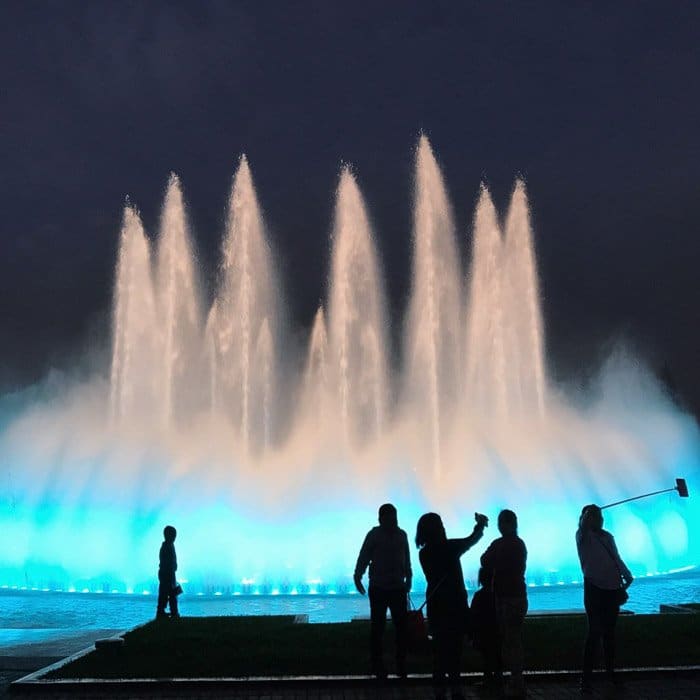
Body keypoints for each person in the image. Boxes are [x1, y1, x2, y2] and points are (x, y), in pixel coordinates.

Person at [416, 511, 488, 700]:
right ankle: (456, 689)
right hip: (455, 603)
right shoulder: (450, 548)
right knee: (455, 649)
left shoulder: (424, 554)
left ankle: (439, 689)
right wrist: (480, 525)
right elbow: (471, 540)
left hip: (436, 603)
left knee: (439, 649)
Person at [576, 504, 633, 693]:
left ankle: (610, 674)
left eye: (600, 515)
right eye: (595, 516)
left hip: (612, 589)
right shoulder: (583, 537)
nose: (600, 519)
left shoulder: (607, 537)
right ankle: (587, 678)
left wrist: (627, 574)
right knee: (594, 633)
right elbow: (582, 526)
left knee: (609, 634)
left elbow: (616, 558)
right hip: (594, 589)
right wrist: (588, 514)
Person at [354, 503, 413, 680]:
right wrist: (358, 575)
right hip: (380, 587)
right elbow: (364, 556)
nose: (393, 521)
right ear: (381, 519)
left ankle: (399, 663)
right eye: (389, 518)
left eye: (394, 517)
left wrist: (408, 578)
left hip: (396, 587)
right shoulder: (374, 536)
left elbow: (406, 558)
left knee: (399, 627)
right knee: (378, 627)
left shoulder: (401, 535)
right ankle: (379, 663)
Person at [480, 510, 528, 698]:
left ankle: (515, 681)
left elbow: (484, 561)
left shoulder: (499, 544)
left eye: (501, 522)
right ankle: (517, 679)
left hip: (505, 596)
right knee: (514, 638)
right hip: (518, 594)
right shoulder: (520, 544)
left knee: (509, 640)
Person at [470, 566, 502, 692]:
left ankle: (488, 680)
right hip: (496, 631)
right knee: (497, 655)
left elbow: (473, 615)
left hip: (483, 632)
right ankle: (498, 679)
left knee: (486, 657)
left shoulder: (479, 596)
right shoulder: (498, 595)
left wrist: (472, 633)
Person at [156, 525, 180, 619]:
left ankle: (166, 611)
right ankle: (171, 612)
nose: (174, 537)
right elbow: (166, 562)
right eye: (173, 535)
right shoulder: (167, 546)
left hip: (168, 573)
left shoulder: (168, 545)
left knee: (167, 593)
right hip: (167, 573)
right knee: (169, 594)